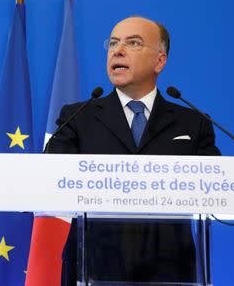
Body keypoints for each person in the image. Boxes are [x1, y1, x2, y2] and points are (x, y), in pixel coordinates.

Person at [49, 16, 220, 284]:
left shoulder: (194, 123)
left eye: (133, 43)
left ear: (159, 61)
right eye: (113, 43)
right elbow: (52, 179)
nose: (118, 50)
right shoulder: (77, 117)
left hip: (171, 266)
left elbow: (216, 186)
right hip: (92, 263)